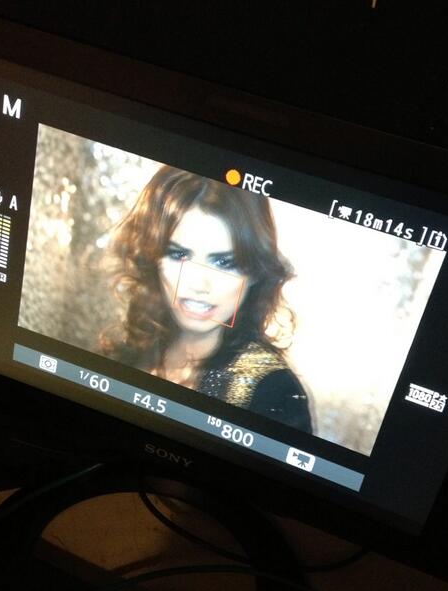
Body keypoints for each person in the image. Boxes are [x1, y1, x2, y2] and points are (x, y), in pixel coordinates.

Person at [102, 164, 312, 432]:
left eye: (224, 262)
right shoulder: (128, 351)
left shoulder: (274, 393)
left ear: (255, 273)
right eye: (179, 255)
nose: (199, 284)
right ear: (152, 258)